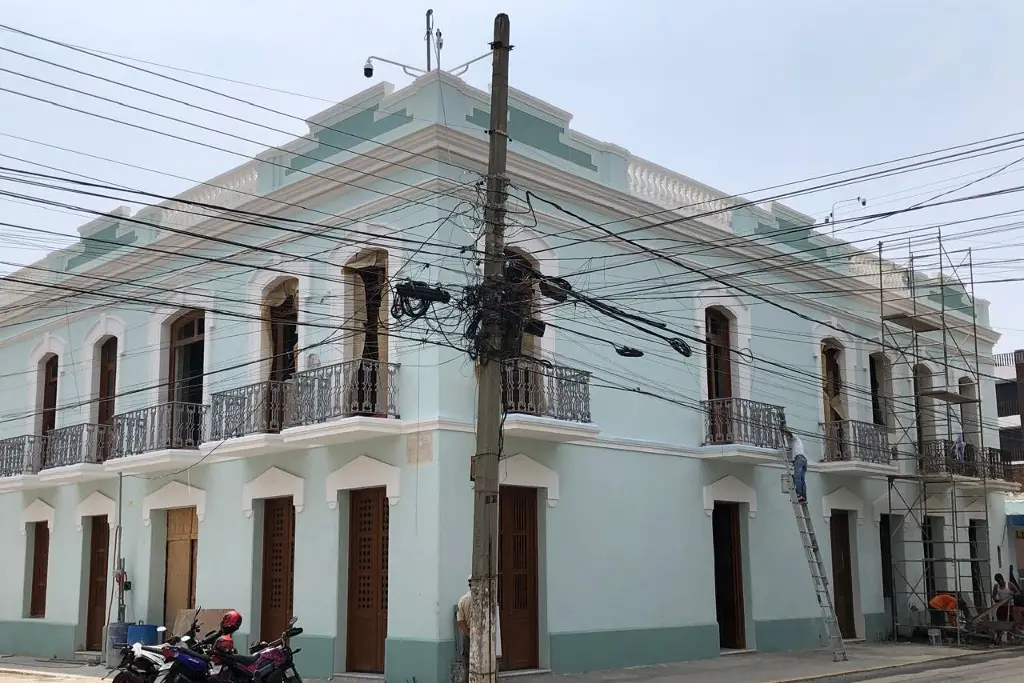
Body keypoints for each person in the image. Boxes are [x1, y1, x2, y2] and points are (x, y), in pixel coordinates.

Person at [457, 576, 502, 663]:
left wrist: (468, 634)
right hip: (482, 634)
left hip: (468, 634)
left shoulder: (463, 600)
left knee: (468, 662)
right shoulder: (485, 599)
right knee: (483, 661)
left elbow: (460, 621)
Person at [782, 426, 808, 504]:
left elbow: (790, 434)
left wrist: (784, 430)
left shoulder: (795, 438)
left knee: (797, 477)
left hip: (799, 459)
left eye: (787, 436)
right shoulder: (793, 443)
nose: (787, 438)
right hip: (803, 460)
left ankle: (799, 494)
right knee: (802, 479)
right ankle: (803, 497)